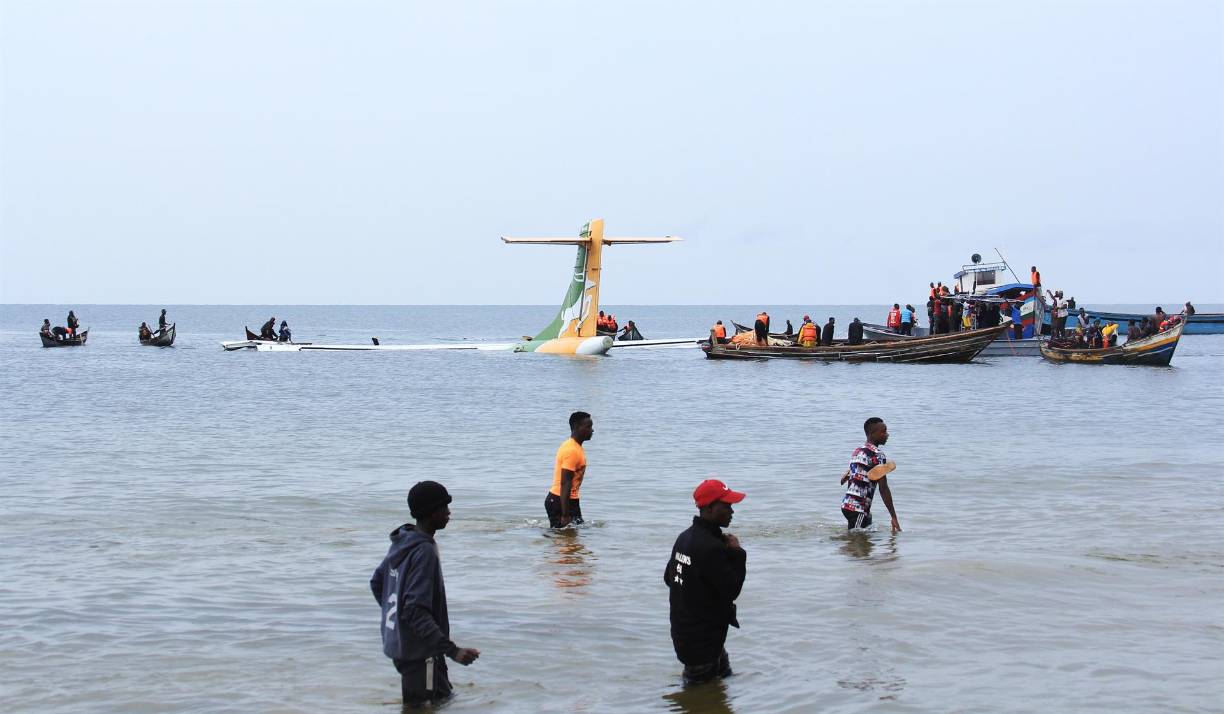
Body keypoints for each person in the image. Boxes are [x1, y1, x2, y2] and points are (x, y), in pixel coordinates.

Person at [371, 481, 480, 708]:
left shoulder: (403, 541)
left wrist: (397, 622)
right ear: (432, 513)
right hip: (420, 654)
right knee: (422, 707)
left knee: (444, 700)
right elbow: (414, 609)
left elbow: (378, 582)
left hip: (404, 647)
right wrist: (453, 651)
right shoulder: (424, 551)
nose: (449, 513)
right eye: (444, 507)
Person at [664, 479, 747, 685]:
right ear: (710, 508)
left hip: (688, 633)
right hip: (701, 640)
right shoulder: (711, 547)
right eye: (726, 506)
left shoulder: (684, 538)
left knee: (721, 685)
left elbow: (669, 578)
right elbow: (732, 590)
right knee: (698, 696)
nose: (732, 511)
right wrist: (737, 553)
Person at [839, 417, 900, 533]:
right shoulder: (878, 455)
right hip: (858, 508)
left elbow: (851, 475)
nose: (887, 434)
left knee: (864, 535)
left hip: (848, 504)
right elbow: (883, 488)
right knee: (857, 542)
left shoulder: (858, 451)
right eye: (883, 431)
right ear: (872, 434)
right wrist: (894, 517)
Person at [545, 411, 593, 528]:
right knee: (565, 541)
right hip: (560, 500)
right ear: (577, 427)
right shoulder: (571, 450)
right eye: (588, 427)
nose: (592, 430)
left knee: (570, 538)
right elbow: (565, 482)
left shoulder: (576, 447)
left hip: (569, 500)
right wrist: (565, 515)